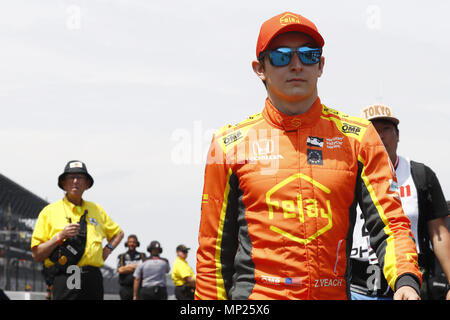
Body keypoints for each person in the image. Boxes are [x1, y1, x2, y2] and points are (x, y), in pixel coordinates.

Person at [195, 11, 422, 300]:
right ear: (259, 68)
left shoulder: (357, 137)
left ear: (321, 65)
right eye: (281, 56)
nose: (296, 65)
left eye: (308, 55)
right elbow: (213, 254)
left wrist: (405, 279)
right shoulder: (228, 144)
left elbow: (390, 223)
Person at [351, 104, 450, 300]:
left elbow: (439, 234)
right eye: (372, 131)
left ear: (397, 135)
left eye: (386, 129)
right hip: (355, 287)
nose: (380, 136)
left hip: (410, 286)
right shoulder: (346, 174)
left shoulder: (421, 175)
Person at [31, 160, 124, 300]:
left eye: (80, 177)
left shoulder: (97, 210)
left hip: (93, 276)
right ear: (63, 183)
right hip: (67, 273)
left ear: (87, 184)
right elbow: (37, 254)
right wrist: (60, 236)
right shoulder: (49, 212)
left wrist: (107, 250)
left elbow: (118, 233)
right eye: (71, 177)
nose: (75, 181)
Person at [117, 234, 146, 300]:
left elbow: (144, 269)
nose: (132, 244)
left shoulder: (142, 256)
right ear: (127, 243)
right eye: (130, 242)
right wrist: (137, 266)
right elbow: (120, 270)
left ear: (137, 244)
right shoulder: (121, 256)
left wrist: (127, 267)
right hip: (125, 288)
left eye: (134, 242)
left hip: (139, 288)